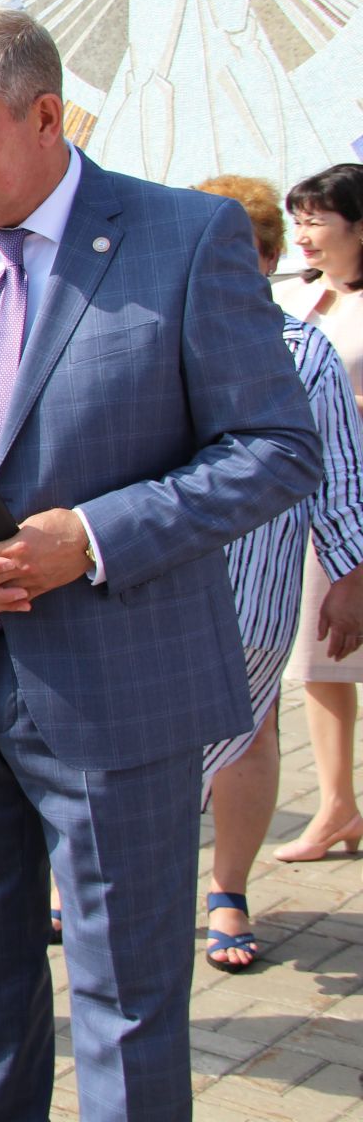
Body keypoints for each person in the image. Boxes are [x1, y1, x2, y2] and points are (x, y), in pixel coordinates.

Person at [0, 8, 319, 1119]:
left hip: (119, 687)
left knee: (130, 1006)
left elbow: (278, 448)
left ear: (47, 114)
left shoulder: (183, 239)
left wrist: (86, 538)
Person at [192, 174, 363, 973]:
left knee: (248, 731)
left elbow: (336, 472)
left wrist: (350, 570)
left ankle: (228, 889)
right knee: (122, 740)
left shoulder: (303, 352)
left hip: (255, 587)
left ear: (264, 261)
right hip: (151, 588)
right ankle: (83, 883)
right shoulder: (151, 335)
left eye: (242, 251)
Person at [272, 163, 363, 862]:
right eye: (297, 218)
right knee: (320, 662)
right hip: (310, 503)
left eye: (316, 219)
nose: (303, 234)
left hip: (353, 493)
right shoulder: (295, 299)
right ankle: (337, 805)